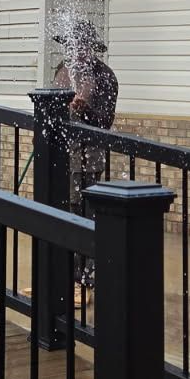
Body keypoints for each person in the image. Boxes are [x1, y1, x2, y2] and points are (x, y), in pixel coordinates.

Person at [51, 19, 117, 293]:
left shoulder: (105, 76)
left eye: (81, 45)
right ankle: (69, 269)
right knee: (67, 208)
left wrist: (85, 108)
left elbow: (105, 122)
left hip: (90, 154)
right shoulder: (62, 72)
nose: (77, 50)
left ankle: (91, 270)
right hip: (65, 153)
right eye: (72, 45)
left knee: (90, 210)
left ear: (91, 48)